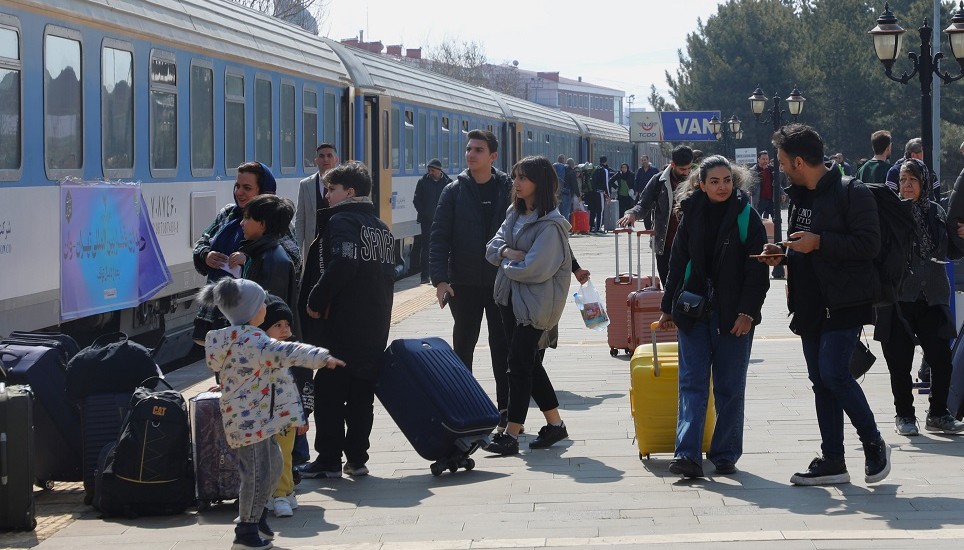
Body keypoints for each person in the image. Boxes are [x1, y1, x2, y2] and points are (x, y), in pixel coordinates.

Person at [759, 124, 891, 486]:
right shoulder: (799, 195)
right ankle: (833, 460)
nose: (781, 168)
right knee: (820, 381)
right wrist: (782, 253)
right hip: (809, 303)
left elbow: (869, 245)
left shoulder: (852, 191)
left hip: (845, 301)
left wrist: (819, 243)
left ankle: (874, 443)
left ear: (799, 161)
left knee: (834, 373)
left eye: (783, 162)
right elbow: (803, 243)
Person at [199, 278, 344, 550]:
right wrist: (320, 357)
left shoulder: (241, 338)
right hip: (250, 423)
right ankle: (246, 531)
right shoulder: (252, 341)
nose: (266, 307)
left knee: (274, 465)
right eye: (262, 304)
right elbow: (287, 351)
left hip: (258, 421)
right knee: (257, 475)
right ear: (251, 312)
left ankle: (258, 518)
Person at [655, 155, 769, 478]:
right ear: (701, 185)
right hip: (693, 313)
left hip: (733, 316)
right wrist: (667, 307)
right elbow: (677, 263)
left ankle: (725, 453)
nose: (722, 187)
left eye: (727, 181)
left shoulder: (747, 216)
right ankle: (687, 455)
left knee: (729, 387)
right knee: (691, 384)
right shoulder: (691, 213)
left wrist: (748, 313)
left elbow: (758, 271)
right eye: (715, 182)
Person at [297, 161, 395, 479]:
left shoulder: (342, 221)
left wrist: (315, 300)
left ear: (349, 192)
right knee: (361, 395)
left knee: (329, 392)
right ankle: (357, 458)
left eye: (332, 189)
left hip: (342, 325)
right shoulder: (381, 227)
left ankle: (328, 459)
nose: (326, 196)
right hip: (375, 325)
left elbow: (344, 262)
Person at [483, 156, 572, 455]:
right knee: (529, 363)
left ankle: (511, 433)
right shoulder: (514, 213)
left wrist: (505, 262)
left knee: (518, 366)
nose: (516, 183)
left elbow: (534, 268)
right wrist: (509, 253)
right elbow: (491, 248)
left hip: (535, 305)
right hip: (509, 299)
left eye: (523, 177)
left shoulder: (551, 226)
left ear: (540, 182)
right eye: (515, 177)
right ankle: (555, 425)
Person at [429, 129, 512, 426]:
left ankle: (506, 412)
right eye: (469, 149)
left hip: (501, 282)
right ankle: (466, 408)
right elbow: (439, 236)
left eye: (478, 150)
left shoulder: (508, 189)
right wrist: (440, 279)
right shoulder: (454, 191)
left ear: (493, 156)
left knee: (502, 348)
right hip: (462, 283)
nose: (471, 154)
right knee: (463, 346)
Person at [876, 159, 964, 436]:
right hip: (900, 296)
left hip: (933, 295)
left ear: (924, 183)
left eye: (913, 180)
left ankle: (938, 413)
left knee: (940, 358)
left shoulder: (936, 212)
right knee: (899, 360)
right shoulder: (891, 213)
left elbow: (951, 251)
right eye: (903, 180)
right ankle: (904, 415)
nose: (907, 185)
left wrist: (962, 236)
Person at [191, 162, 301, 345]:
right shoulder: (228, 213)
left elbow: (293, 259)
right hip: (216, 309)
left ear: (263, 191)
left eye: (247, 188)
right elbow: (203, 241)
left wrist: (250, 259)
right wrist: (206, 255)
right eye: (237, 186)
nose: (239, 192)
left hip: (251, 314)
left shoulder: (275, 220)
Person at [258, 295, 310, 519]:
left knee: (283, 455)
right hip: (261, 415)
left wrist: (304, 415)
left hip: (287, 416)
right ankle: (278, 493)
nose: (284, 329)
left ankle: (281, 495)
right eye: (277, 325)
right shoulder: (257, 351)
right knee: (266, 457)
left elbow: (306, 386)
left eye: (287, 324)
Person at [618, 145, 695, 283]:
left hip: (691, 245)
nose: (687, 172)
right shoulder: (659, 181)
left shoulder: (696, 181)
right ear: (673, 164)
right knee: (668, 285)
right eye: (683, 169)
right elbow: (643, 204)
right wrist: (632, 214)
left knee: (690, 287)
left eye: (689, 168)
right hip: (665, 244)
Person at [295, 143, 338, 256]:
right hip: (313, 246)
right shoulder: (305, 185)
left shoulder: (345, 184)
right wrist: (297, 250)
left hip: (336, 242)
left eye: (329, 156)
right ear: (316, 160)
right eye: (321, 156)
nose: (325, 159)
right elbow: (300, 219)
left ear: (336, 159)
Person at [413, 158, 452, 284]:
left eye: (432, 170)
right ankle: (425, 276)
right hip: (427, 221)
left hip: (443, 221)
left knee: (445, 247)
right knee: (426, 247)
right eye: (429, 170)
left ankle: (445, 274)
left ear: (439, 171)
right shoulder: (422, 182)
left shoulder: (448, 183)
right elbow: (416, 200)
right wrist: (425, 214)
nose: (430, 173)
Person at [749, 151, 776, 219]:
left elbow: (777, 183)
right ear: (758, 159)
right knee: (757, 219)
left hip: (771, 199)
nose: (765, 161)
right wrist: (749, 190)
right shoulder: (753, 171)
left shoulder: (772, 169)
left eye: (767, 159)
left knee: (776, 219)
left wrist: (782, 193)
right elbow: (749, 183)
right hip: (759, 199)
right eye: (763, 159)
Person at [589, 156, 611, 233]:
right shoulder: (604, 170)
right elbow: (606, 184)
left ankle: (591, 227)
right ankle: (598, 228)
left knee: (593, 210)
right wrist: (608, 195)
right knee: (600, 210)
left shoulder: (595, 169)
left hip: (593, 192)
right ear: (606, 161)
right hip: (600, 193)